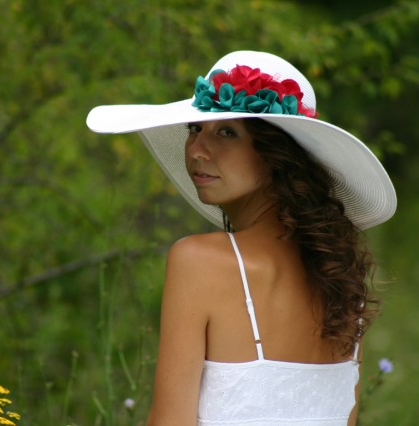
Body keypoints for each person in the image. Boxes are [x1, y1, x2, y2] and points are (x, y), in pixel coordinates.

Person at [87, 50, 396, 426]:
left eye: (227, 133)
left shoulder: (199, 262)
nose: (197, 150)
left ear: (276, 156)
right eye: (195, 129)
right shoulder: (343, 281)